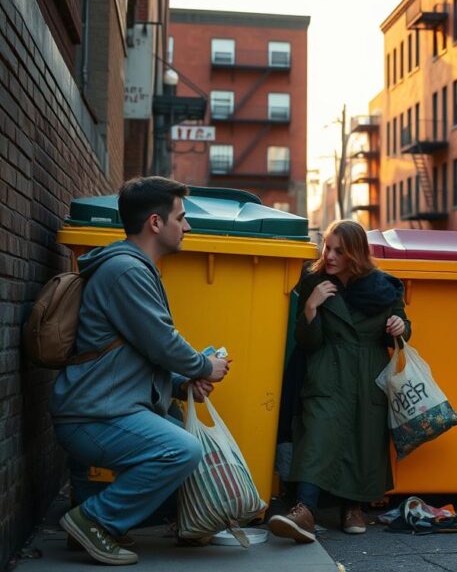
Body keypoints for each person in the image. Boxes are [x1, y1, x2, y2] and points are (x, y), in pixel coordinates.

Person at [50, 176, 231, 565]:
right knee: (181, 449)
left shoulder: (133, 268)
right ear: (155, 222)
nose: (187, 227)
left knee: (174, 420)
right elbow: (161, 343)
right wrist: (204, 365)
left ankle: (99, 524)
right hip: (93, 416)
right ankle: (93, 520)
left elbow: (142, 352)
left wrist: (184, 382)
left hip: (104, 410)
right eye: (181, 218)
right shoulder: (126, 271)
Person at [269, 220, 410, 543]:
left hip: (368, 375)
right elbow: (307, 342)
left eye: (338, 250)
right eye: (327, 247)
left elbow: (405, 329)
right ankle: (304, 510)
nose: (329, 255)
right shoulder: (313, 282)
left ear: (355, 254)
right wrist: (310, 307)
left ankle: (353, 508)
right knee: (317, 433)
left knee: (362, 440)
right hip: (326, 370)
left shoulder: (385, 288)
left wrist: (399, 326)